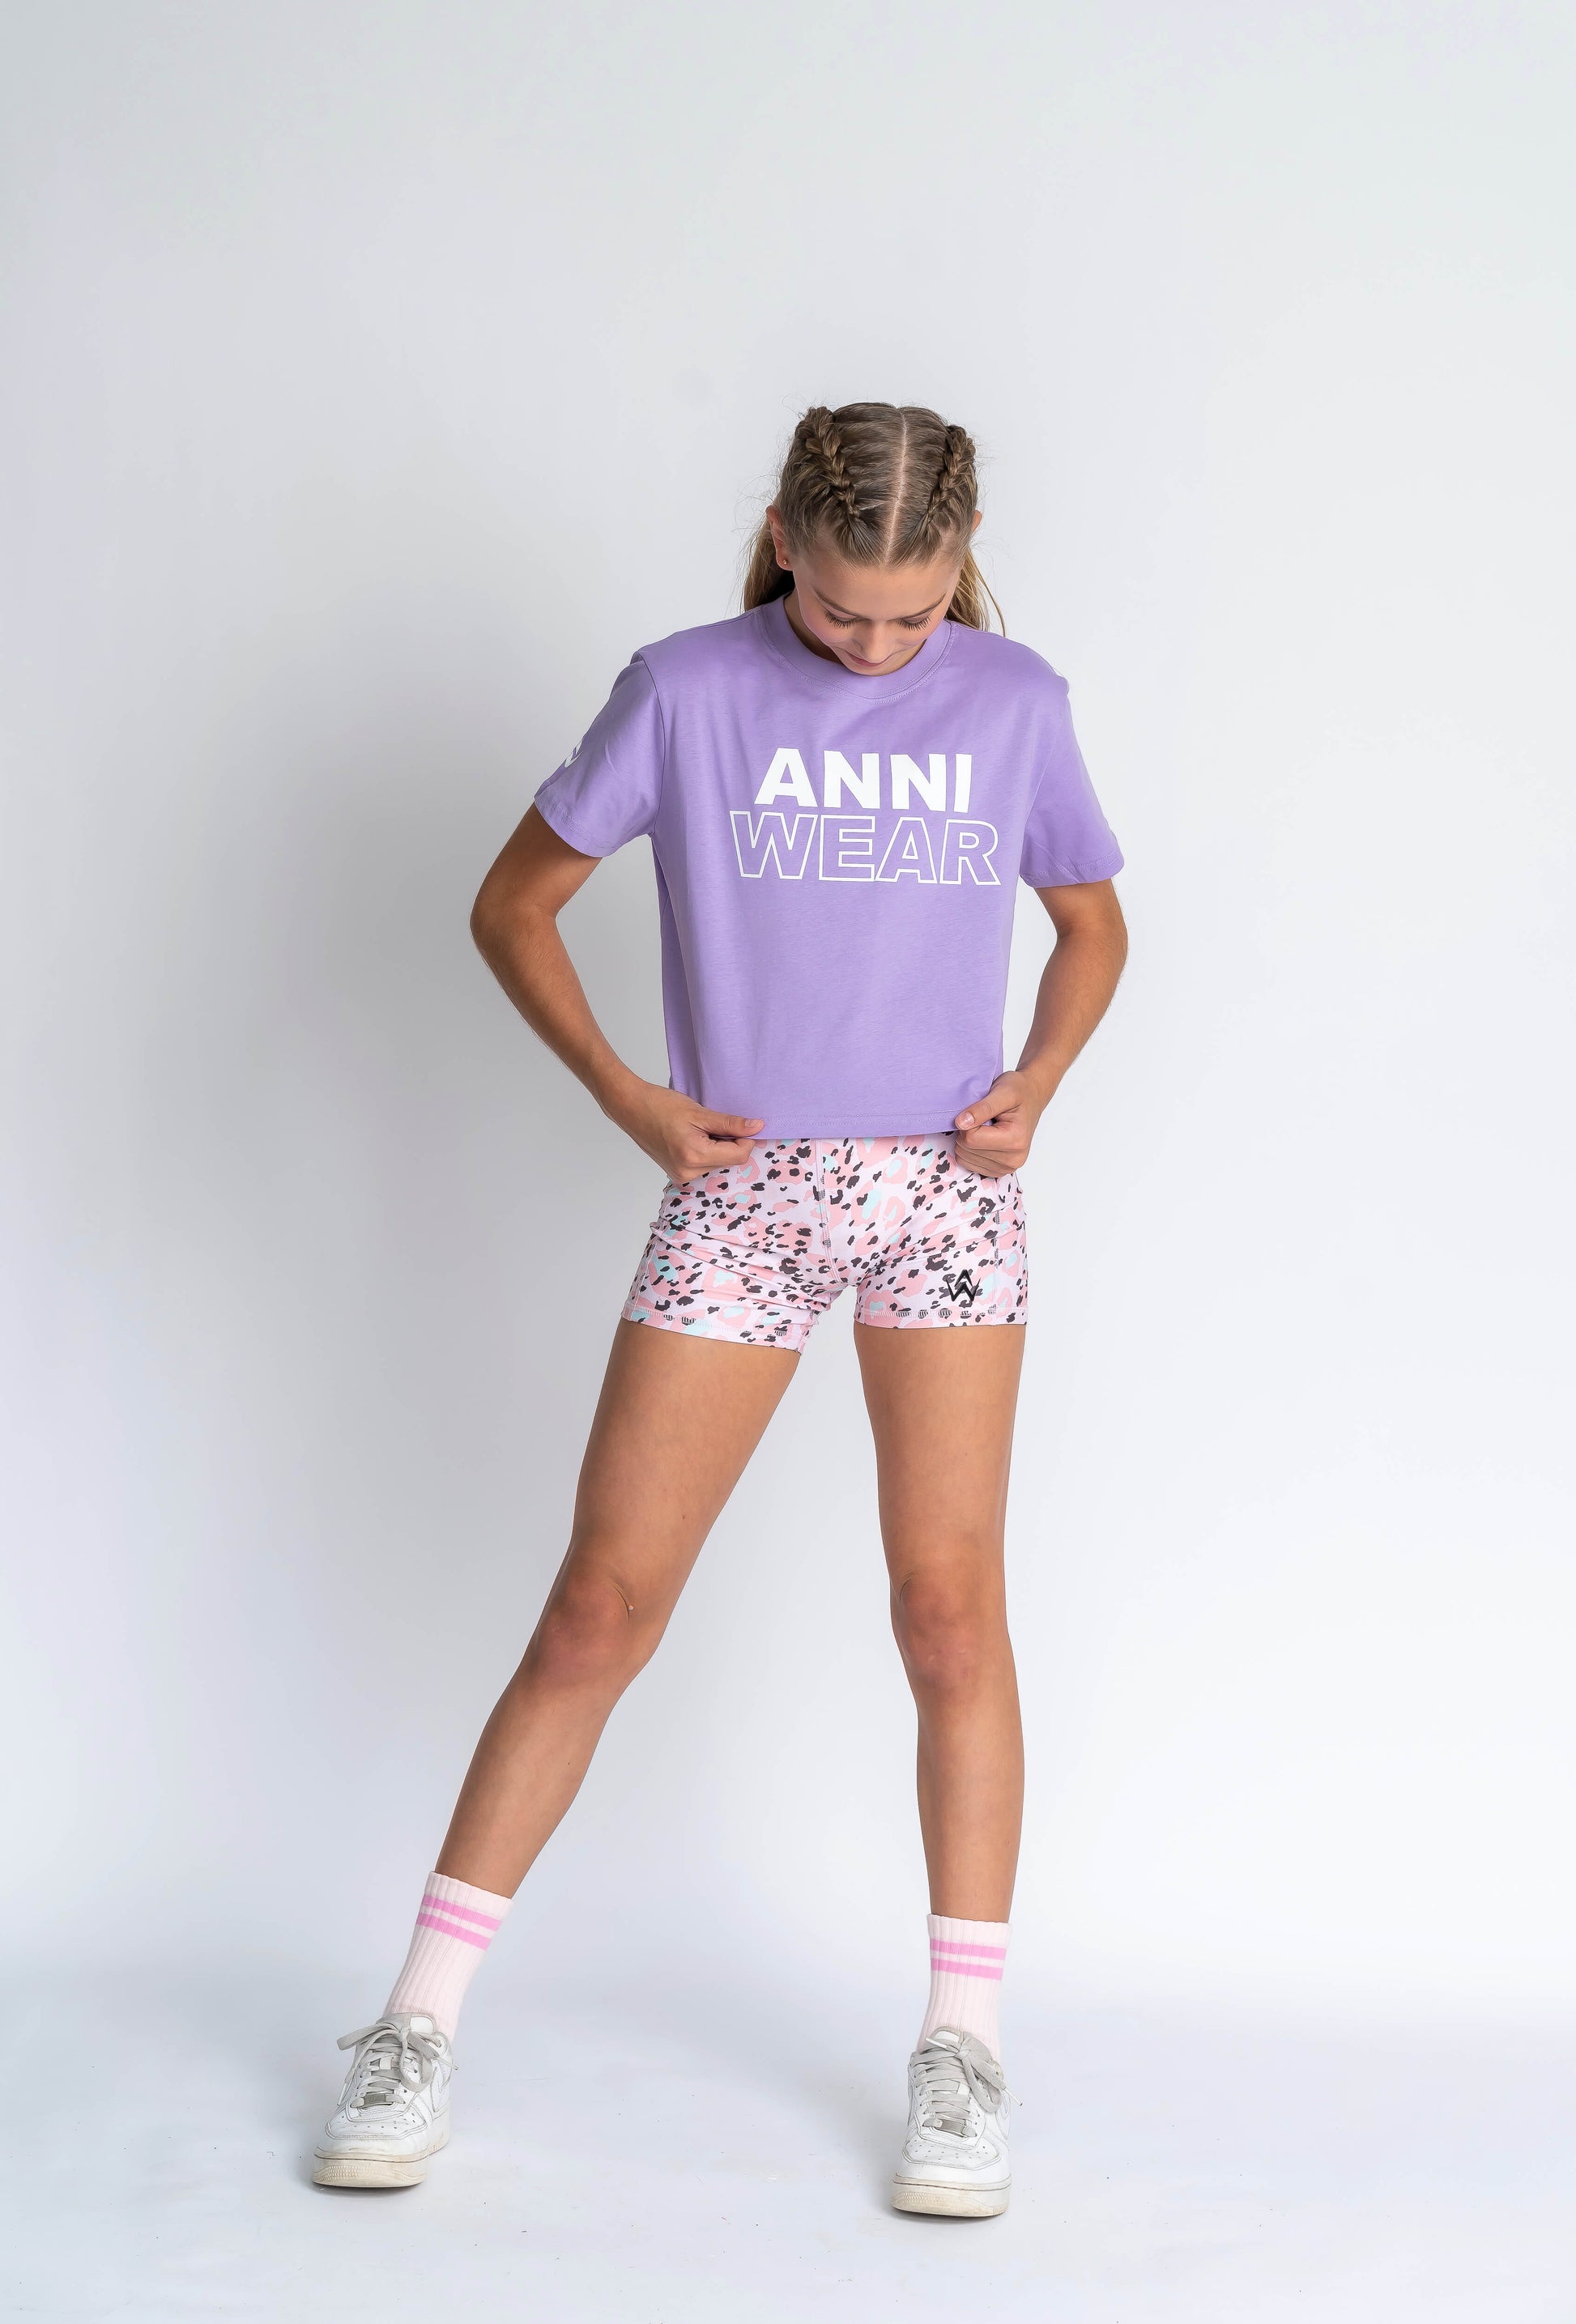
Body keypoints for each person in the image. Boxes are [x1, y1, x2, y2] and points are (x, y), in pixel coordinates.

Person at [312, 402, 1128, 2216]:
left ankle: (963, 2048)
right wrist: (627, 1093)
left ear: (958, 570)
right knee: (599, 1607)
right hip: (742, 1196)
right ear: (779, 538)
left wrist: (1039, 1077)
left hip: (942, 1196)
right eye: (840, 608)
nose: (875, 646)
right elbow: (515, 904)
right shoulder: (684, 690)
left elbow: (1091, 924)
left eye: (912, 613)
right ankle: (415, 2021)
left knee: (946, 1613)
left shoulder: (1014, 702)